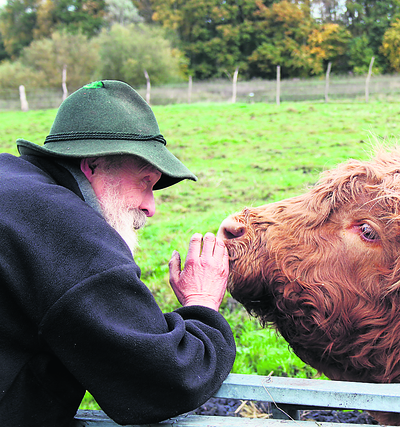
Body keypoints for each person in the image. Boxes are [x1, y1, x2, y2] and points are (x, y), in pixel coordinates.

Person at [0, 80, 236, 426]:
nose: (151, 207)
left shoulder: (13, 183)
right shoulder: (68, 232)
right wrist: (201, 305)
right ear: (93, 166)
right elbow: (168, 380)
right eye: (145, 182)